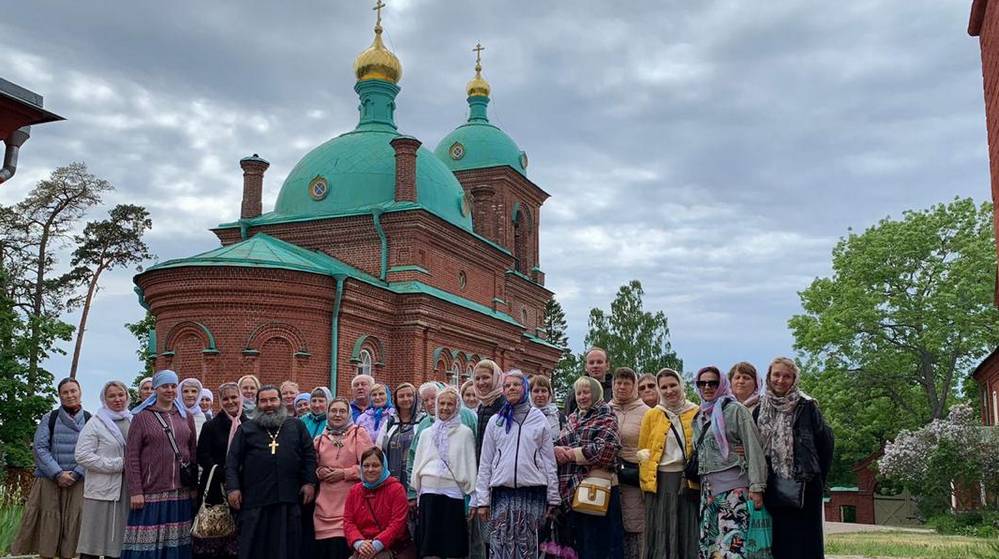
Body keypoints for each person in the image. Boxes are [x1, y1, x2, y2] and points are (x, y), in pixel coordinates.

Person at [473, 371, 560, 559]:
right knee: (501, 545)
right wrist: (482, 500)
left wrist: (553, 497)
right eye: (507, 386)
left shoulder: (538, 419)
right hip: (502, 493)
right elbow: (485, 462)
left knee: (528, 546)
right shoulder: (496, 421)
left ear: (525, 388)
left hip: (532, 492)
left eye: (516, 385)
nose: (511, 388)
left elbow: (549, 461)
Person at [226, 385, 318, 559]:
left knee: (287, 548)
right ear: (257, 404)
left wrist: (309, 482)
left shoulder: (296, 426)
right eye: (264, 401)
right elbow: (232, 461)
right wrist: (233, 488)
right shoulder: (246, 429)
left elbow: (309, 455)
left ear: (280, 402)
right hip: (255, 500)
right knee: (255, 548)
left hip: (288, 498)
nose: (269, 404)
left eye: (273, 400)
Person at [754, 357, 834, 559]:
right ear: (769, 377)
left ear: (794, 379)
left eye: (786, 376)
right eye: (776, 375)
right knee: (779, 541)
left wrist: (815, 476)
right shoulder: (759, 408)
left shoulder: (806, 406)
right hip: (772, 485)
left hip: (804, 484)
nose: (781, 380)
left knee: (805, 543)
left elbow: (826, 444)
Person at [692, 366, 767, 559]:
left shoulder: (735, 410)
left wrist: (757, 487)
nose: (707, 387)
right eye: (702, 383)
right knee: (712, 547)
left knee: (733, 547)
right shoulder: (700, 415)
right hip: (708, 492)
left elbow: (753, 448)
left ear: (722, 384)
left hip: (734, 490)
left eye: (713, 383)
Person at [121, 369, 197, 559]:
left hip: (181, 491)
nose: (170, 390)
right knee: (147, 546)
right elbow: (131, 456)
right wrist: (136, 491)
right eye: (165, 386)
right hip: (151, 491)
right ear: (156, 389)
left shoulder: (185, 416)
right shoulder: (142, 417)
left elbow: (192, 451)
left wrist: (194, 485)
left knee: (177, 545)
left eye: (173, 386)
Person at [12, 377, 90, 559]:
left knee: (74, 523)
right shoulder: (50, 418)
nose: (70, 395)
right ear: (59, 396)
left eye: (73, 391)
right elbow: (40, 448)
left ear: (80, 392)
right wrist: (57, 473)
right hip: (50, 479)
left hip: (78, 480)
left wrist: (77, 473)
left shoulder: (89, 419)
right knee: (49, 522)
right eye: (65, 392)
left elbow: (94, 450)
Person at [555, 376, 623, 559]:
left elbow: (605, 451)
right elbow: (560, 442)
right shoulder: (573, 417)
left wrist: (570, 454)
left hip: (597, 490)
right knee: (577, 545)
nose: (582, 397)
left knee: (599, 545)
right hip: (572, 488)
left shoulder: (607, 415)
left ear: (596, 393)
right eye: (578, 393)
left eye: (586, 392)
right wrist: (556, 450)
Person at [637, 368, 699, 559]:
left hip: (686, 482)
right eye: (663, 387)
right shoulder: (653, 415)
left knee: (686, 531)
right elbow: (643, 450)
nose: (669, 390)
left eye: (673, 385)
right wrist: (646, 482)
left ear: (681, 385)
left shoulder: (696, 412)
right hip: (660, 482)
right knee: (660, 531)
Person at [411, 386, 477, 559]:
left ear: (457, 406)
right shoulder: (426, 432)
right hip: (428, 491)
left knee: (452, 546)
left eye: (450, 404)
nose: (445, 408)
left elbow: (470, 464)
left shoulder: (465, 433)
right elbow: (418, 461)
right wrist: (417, 491)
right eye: (442, 403)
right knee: (429, 547)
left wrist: (473, 496)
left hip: (453, 492)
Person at [75, 380, 132, 559]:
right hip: (102, 490)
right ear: (104, 399)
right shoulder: (96, 423)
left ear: (127, 396)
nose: (117, 399)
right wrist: (117, 465)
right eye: (112, 396)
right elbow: (82, 455)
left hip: (127, 490)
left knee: (117, 543)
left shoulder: (133, 420)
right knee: (93, 542)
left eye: (121, 395)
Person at [314, 398, 374, 559]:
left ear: (348, 414)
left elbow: (371, 468)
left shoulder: (358, 433)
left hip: (349, 508)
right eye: (333, 411)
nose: (337, 415)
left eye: (342, 411)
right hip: (323, 510)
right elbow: (310, 466)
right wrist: (318, 472)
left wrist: (345, 473)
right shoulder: (320, 439)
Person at [195, 383, 247, 559]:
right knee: (215, 541)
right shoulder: (211, 426)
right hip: (216, 488)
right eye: (225, 398)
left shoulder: (249, 425)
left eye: (234, 397)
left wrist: (238, 477)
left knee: (239, 538)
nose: (230, 401)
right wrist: (224, 475)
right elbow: (203, 455)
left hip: (243, 487)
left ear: (241, 398)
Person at [608, 368, 651, 559]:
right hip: (609, 479)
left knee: (636, 529)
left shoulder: (647, 413)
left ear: (634, 386)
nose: (621, 387)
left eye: (627, 383)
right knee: (612, 529)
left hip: (634, 479)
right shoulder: (604, 410)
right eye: (618, 382)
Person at [343, 448, 412, 558]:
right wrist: (359, 544)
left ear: (384, 466)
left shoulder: (396, 489)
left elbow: (397, 523)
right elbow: (348, 522)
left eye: (375, 465)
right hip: (363, 546)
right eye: (366, 466)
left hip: (390, 546)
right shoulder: (354, 491)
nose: (370, 469)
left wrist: (376, 545)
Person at [379, 382, 424, 492]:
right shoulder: (390, 422)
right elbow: (379, 448)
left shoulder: (423, 421)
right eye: (401, 396)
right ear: (395, 400)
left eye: (409, 395)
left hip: (416, 479)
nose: (405, 399)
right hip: (391, 479)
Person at [563, 347, 613, 416]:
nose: (595, 366)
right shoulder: (576, 393)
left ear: (607, 365)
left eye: (599, 362)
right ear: (586, 367)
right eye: (591, 363)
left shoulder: (615, 391)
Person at [530, 375, 565, 441]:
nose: (540, 395)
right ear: (530, 394)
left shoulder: (558, 416)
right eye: (536, 391)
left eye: (543, 391)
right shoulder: (526, 416)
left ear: (549, 393)